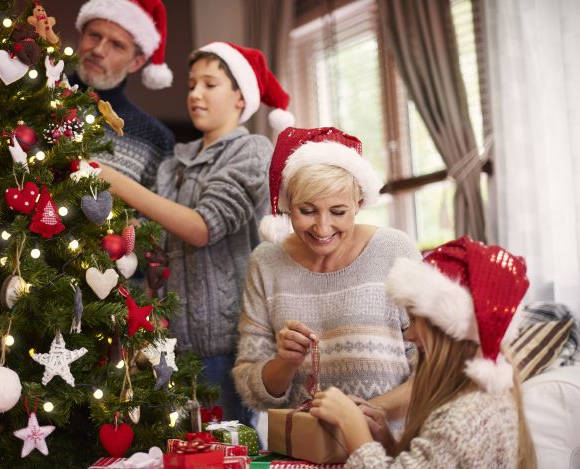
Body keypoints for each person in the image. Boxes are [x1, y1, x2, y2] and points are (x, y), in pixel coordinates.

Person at [97, 41, 294, 421]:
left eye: (210, 84)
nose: (195, 94)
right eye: (191, 85)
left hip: (227, 346)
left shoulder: (253, 151)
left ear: (240, 97)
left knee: (225, 449)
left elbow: (203, 227)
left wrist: (117, 183)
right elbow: (158, 233)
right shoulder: (172, 166)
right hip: (167, 344)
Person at [232, 127, 419, 423]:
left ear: (358, 203)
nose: (322, 228)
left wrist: (356, 417)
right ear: (287, 204)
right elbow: (250, 390)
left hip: (390, 451)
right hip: (306, 455)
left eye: (338, 211)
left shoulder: (394, 251)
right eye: (307, 210)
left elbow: (435, 372)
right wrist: (285, 362)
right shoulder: (266, 262)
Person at [309, 236, 537, 468]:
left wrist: (352, 425)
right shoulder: (480, 403)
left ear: (448, 327)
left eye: (416, 319)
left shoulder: (462, 422)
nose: (409, 334)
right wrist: (386, 442)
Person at [72, 0, 175, 188]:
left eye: (117, 45)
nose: (98, 50)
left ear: (136, 63)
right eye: (94, 35)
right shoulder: (32, 94)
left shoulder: (155, 138)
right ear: (81, 35)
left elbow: (152, 217)